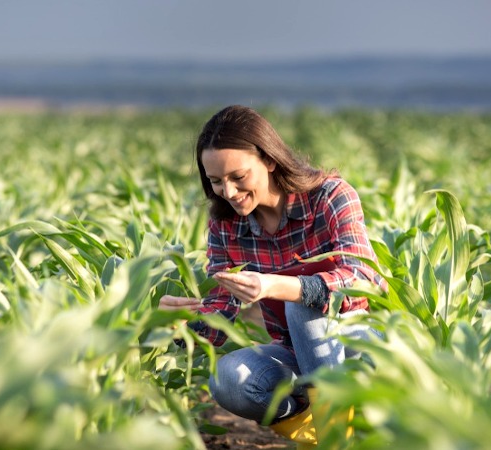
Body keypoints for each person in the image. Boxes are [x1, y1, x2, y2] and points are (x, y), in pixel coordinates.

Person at [159, 105, 386, 445]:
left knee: (301, 304)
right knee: (228, 379)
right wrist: (173, 322)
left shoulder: (329, 197)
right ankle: (320, 430)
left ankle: (337, 433)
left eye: (238, 177)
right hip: (297, 353)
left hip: (360, 343)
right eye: (216, 181)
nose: (229, 192)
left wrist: (275, 285)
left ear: (269, 159)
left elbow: (363, 278)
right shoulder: (226, 225)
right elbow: (219, 318)